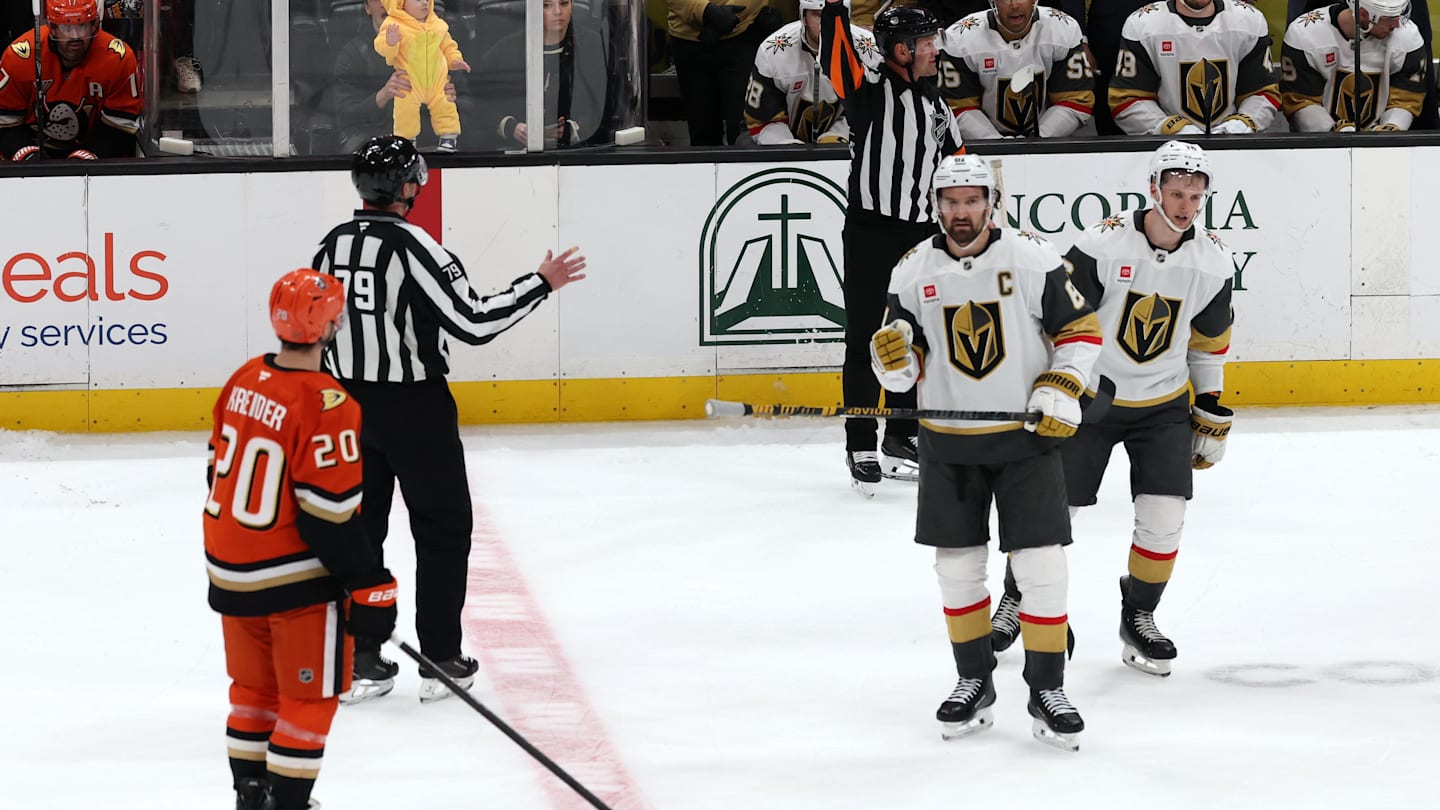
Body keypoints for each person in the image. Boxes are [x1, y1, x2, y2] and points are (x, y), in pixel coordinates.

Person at [312, 135, 588, 704]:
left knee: (362, 535)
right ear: (407, 187)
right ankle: (440, 658)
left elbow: (317, 327)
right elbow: (474, 321)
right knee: (441, 531)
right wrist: (541, 283)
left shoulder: (329, 245)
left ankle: (362, 660)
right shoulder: (417, 247)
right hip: (415, 409)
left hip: (347, 408)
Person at [872, 153, 1100, 750]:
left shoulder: (1030, 259)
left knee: (1041, 569)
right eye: (951, 202)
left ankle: (1047, 687)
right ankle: (974, 680)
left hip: (1024, 442)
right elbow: (904, 356)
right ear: (937, 207)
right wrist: (894, 362)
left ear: (990, 204)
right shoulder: (911, 270)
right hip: (947, 446)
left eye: (972, 201)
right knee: (956, 571)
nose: (961, 212)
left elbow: (1080, 334)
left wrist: (1061, 385)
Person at [991, 141, 1234, 678]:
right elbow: (1062, 323)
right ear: (1153, 189)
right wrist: (1053, 385)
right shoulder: (1101, 244)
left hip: (1164, 405)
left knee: (1165, 518)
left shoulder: (1213, 260)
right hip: (1092, 399)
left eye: (1195, 195)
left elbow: (1208, 342)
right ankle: (1016, 598)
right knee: (1053, 513)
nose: (1185, 204)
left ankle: (1139, 615)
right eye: (1175, 192)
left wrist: (1210, 404)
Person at [205, 269, 399, 810]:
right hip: (293, 582)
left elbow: (213, 471)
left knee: (251, 694)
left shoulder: (243, 379)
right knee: (307, 700)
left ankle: (252, 797)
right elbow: (328, 517)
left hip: (229, 569)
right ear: (333, 324)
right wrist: (369, 584)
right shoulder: (328, 403)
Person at [820, 0, 963, 495]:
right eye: (926, 44)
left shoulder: (937, 105)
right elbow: (835, 55)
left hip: (924, 239)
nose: (934, 51)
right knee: (864, 339)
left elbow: (959, 170)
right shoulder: (867, 91)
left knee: (919, 341)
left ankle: (902, 435)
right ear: (900, 51)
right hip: (872, 231)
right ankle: (860, 439)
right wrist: (835, 7)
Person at [1107, 0, 1279, 136]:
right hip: (1163, 149)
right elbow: (1128, 99)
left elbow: (1261, 91)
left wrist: (1244, 122)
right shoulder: (1142, 24)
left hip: (1234, 147)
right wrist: (1170, 128)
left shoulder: (1249, 21)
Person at [0, 0, 141, 160]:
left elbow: (120, 128)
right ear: (52, 27)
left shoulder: (119, 59)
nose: (75, 36)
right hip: (31, 145)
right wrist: (28, 156)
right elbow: (5, 124)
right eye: (67, 27)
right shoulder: (19, 57)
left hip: (94, 151)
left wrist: (88, 158)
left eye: (82, 26)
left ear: (95, 24)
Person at [938, 0, 1094, 138]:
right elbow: (957, 108)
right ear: (993, 2)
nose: (1014, 5)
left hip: (1049, 140)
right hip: (982, 149)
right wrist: (996, 144)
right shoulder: (960, 39)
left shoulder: (1063, 29)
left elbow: (1074, 102)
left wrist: (1041, 139)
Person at [331, 0, 464, 153]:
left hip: (435, 149)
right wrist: (383, 95)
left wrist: (451, 97)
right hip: (377, 149)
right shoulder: (352, 54)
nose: (387, 3)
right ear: (367, 8)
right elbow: (344, 117)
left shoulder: (438, 42)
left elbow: (474, 109)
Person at [476, 0, 610, 148]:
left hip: (576, 154)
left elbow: (606, 102)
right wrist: (510, 126)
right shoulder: (504, 50)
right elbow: (476, 100)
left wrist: (574, 129)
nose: (558, 11)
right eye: (547, 5)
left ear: (572, 6)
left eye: (564, 3)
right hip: (514, 154)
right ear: (533, 10)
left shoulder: (593, 46)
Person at [742, 0, 880, 145]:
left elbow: (871, 108)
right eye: (818, 15)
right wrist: (786, 146)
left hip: (845, 141)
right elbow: (762, 118)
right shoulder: (773, 50)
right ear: (803, 17)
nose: (826, 24)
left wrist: (838, 136)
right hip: (785, 140)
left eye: (832, 16)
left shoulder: (868, 48)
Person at [1280, 0, 1428, 132]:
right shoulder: (1305, 34)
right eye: (1390, 18)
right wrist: (1331, 130)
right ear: (1363, 14)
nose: (1398, 24)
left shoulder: (1408, 36)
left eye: (1400, 14)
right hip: (1318, 147)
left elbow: (1406, 98)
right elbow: (1301, 101)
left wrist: (1391, 128)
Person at [665, 0, 770, 145]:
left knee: (743, 130)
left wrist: (719, 21)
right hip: (689, 41)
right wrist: (707, 12)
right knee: (702, 132)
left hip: (741, 35)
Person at [373, 0, 470, 152]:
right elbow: (381, 47)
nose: (424, 3)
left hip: (437, 80)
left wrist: (455, 60)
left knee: (445, 106)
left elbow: (448, 45)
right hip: (409, 81)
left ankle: (448, 138)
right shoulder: (393, 24)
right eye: (418, 0)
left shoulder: (437, 24)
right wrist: (390, 43)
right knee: (405, 112)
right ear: (400, 3)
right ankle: (406, 142)